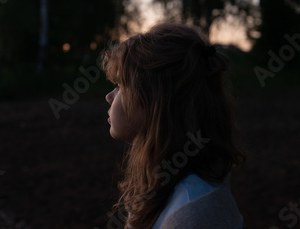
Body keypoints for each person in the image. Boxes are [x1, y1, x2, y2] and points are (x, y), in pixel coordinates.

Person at [102, 23, 245, 229]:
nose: (109, 96)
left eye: (121, 85)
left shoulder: (192, 212)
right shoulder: (164, 183)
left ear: (156, 101)